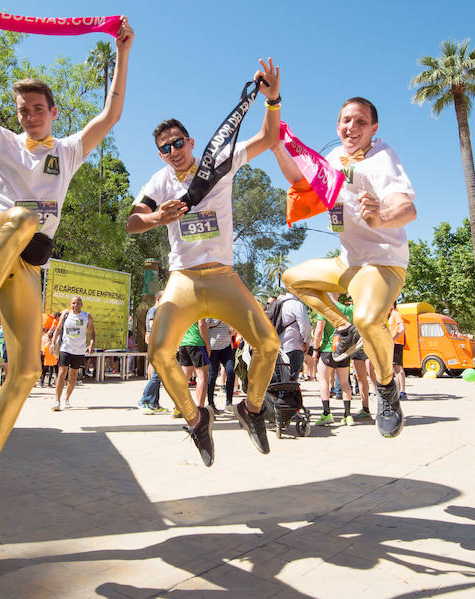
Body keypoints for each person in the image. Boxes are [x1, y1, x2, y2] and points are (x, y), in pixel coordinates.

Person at [0, 0, 134, 549]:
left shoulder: (68, 151)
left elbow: (111, 116)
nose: (29, 115)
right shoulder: (0, 139)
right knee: (22, 218)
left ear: (53, 111)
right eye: (23, 108)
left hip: (22, 268)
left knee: (22, 375)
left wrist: (123, 52)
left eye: (37, 107)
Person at [125, 58, 282, 466]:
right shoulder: (158, 182)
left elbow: (267, 138)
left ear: (191, 142)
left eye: (178, 143)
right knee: (159, 353)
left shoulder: (220, 164)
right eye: (165, 148)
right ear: (159, 154)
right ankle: (197, 421)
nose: (173, 152)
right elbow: (130, 223)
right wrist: (159, 216)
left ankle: (252, 408)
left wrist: (272, 100)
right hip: (183, 282)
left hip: (223, 277)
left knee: (268, 344)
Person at [275, 97, 416, 438]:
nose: (351, 128)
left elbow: (407, 207)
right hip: (347, 263)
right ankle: (343, 328)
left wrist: (382, 216)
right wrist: (276, 144)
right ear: (337, 125)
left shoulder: (382, 159)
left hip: (382, 263)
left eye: (360, 122)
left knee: (368, 318)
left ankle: (386, 390)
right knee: (292, 278)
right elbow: (299, 176)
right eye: (346, 121)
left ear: (374, 128)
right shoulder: (335, 157)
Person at [312, 295, 354, 426]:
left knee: (323, 379)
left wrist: (315, 349)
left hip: (328, 348)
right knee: (345, 382)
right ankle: (348, 415)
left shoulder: (324, 309)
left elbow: (319, 331)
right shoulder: (347, 309)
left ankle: (326, 413)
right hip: (344, 349)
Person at [52, 296, 95, 411]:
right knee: (61, 374)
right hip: (65, 348)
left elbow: (92, 332)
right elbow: (58, 329)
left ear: (81, 304)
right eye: (73, 303)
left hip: (79, 351)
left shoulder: (87, 316)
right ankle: (57, 400)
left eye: (78, 303)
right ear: (70, 304)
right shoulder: (66, 314)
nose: (75, 305)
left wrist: (91, 344)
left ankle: (66, 399)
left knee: (73, 376)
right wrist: (52, 343)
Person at [138, 291, 168, 414]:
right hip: (156, 346)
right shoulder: (154, 311)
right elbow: (152, 326)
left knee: (159, 375)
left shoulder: (161, 312)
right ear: (158, 299)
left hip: (161, 345)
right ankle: (144, 400)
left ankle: (154, 403)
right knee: (157, 375)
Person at [274, 291, 312, 380]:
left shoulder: (276, 304)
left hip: (275, 348)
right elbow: (305, 327)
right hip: (293, 348)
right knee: (290, 382)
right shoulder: (297, 305)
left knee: (277, 382)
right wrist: (306, 342)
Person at [178, 320, 211, 413]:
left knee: (185, 377)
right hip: (197, 342)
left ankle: (177, 407)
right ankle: (200, 409)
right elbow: (201, 324)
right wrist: (207, 344)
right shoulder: (200, 306)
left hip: (184, 343)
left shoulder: (182, 308)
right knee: (202, 376)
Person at [206, 319, 235, 413]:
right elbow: (204, 326)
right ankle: (210, 403)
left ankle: (229, 402)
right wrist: (217, 321)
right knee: (212, 375)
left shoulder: (227, 312)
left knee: (231, 371)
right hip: (212, 347)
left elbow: (232, 328)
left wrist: (232, 331)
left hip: (226, 347)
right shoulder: (209, 312)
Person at [388, 303, 407, 401]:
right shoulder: (388, 315)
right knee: (393, 368)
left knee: (398, 367)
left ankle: (402, 391)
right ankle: (397, 391)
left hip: (396, 344)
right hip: (389, 344)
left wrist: (394, 338)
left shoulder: (395, 314)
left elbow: (402, 328)